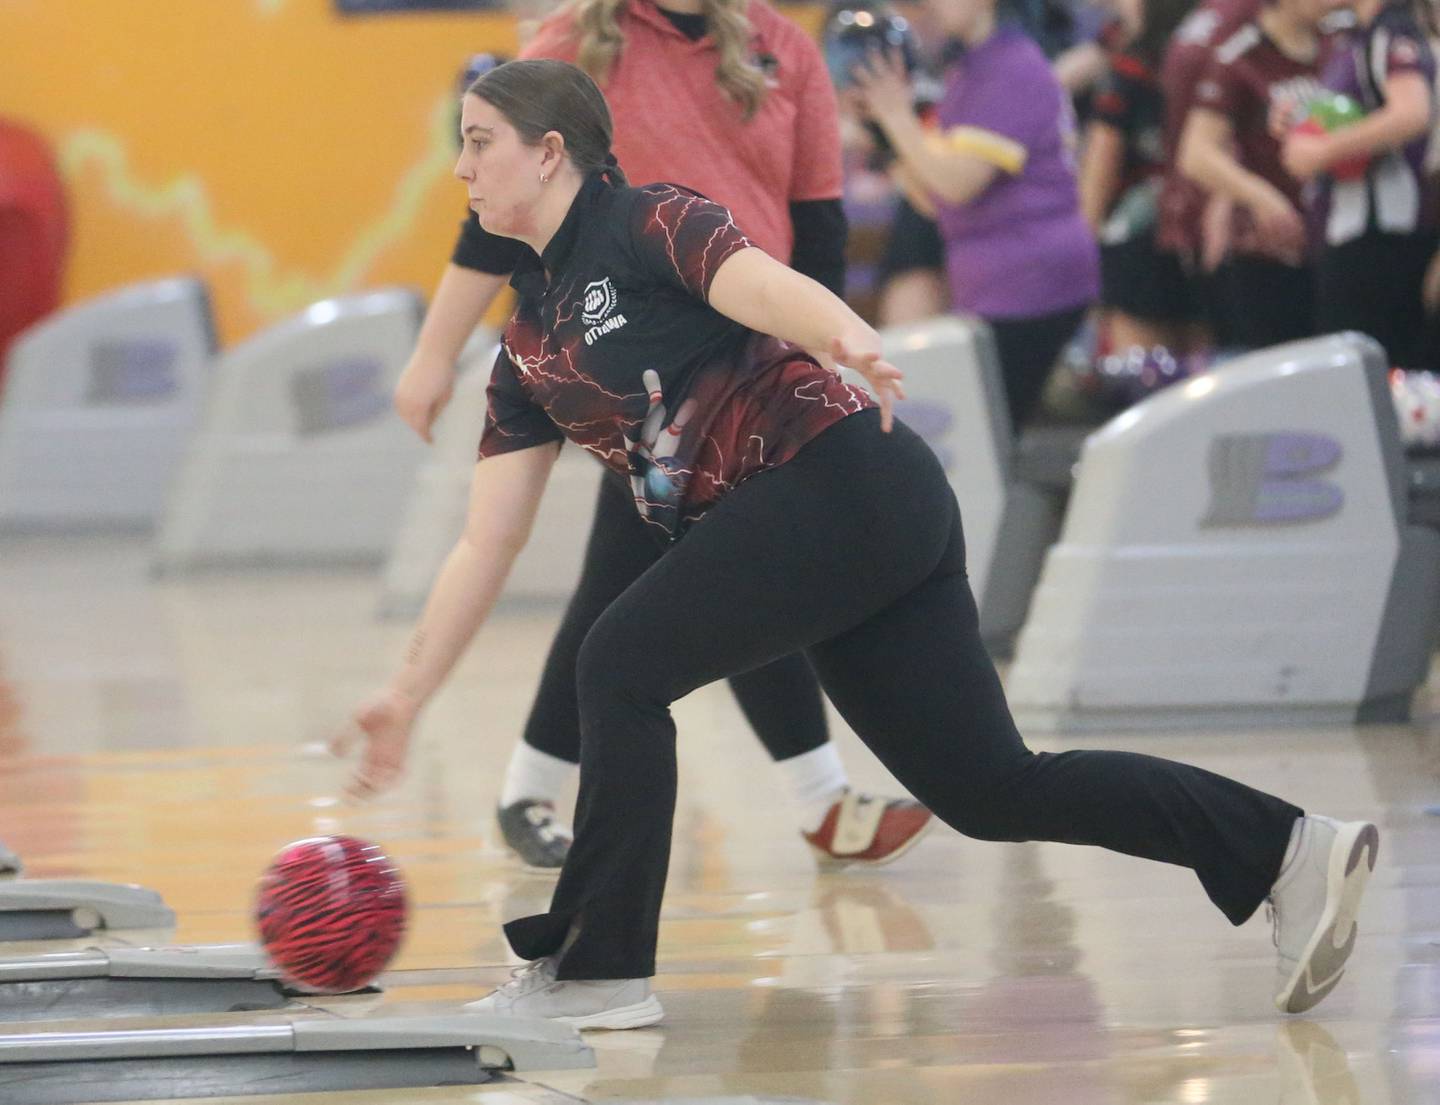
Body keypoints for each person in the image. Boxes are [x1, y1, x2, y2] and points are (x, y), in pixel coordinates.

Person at [336, 57, 1379, 1030]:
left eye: (479, 140)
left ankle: (602, 970)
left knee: (618, 661)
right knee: (988, 789)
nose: (462, 166)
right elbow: (485, 544)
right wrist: (407, 695)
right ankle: (1289, 847)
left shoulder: (648, 221)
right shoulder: (526, 353)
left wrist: (847, 334)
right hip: (844, 528)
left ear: (549, 149)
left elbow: (757, 284)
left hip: (843, 481)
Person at [396, 0, 933, 872]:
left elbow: (820, 220)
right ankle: (816, 797)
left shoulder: (786, 49)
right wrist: (432, 353)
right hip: (632, 355)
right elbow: (490, 207)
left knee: (656, 583)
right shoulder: (576, 40)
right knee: (682, 580)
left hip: (754, 361)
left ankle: (537, 785)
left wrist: (824, 345)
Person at [848, 0, 1100, 432]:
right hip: (999, 283)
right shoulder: (974, 66)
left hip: (1030, 283)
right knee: (987, 433)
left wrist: (895, 114)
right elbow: (933, 197)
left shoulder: (1010, 67)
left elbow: (957, 185)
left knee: (989, 434)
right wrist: (890, 138)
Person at [1279, 0, 1438, 369]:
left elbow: (1412, 112)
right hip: (1346, 233)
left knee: (1367, 377)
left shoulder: (1392, 31)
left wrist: (1321, 150)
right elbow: (1346, 114)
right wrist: (1301, 125)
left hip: (1381, 239)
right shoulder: (1352, 37)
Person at [1176, 0, 1331, 351]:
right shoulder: (1240, 57)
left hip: (1330, 239)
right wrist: (1261, 197)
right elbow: (1196, 153)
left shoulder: (1339, 42)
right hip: (1269, 252)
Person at [1077, 0, 1199, 354]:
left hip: (1141, 239)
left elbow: (1101, 162)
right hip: (1199, 235)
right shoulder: (1212, 52)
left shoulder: (1132, 67)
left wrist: (1086, 251)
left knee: (1143, 379)